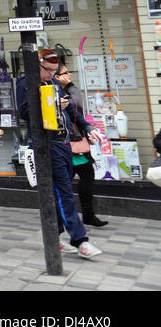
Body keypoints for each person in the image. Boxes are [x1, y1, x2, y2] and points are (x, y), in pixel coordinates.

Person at [16, 48, 105, 258]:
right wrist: (53, 103)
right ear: (36, 65)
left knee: (57, 192)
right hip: (47, 144)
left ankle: (54, 236)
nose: (50, 74)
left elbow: (71, 110)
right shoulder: (25, 83)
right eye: (47, 70)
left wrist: (88, 127)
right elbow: (24, 112)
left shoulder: (54, 83)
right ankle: (80, 240)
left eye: (54, 71)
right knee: (64, 192)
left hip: (64, 143)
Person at [55, 62, 107, 227]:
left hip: (78, 143)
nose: (68, 76)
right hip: (66, 145)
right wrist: (69, 85)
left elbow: (78, 112)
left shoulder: (67, 90)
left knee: (86, 178)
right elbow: (76, 105)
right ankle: (65, 219)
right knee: (66, 185)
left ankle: (87, 215)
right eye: (64, 73)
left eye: (68, 72)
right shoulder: (59, 92)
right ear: (56, 77)